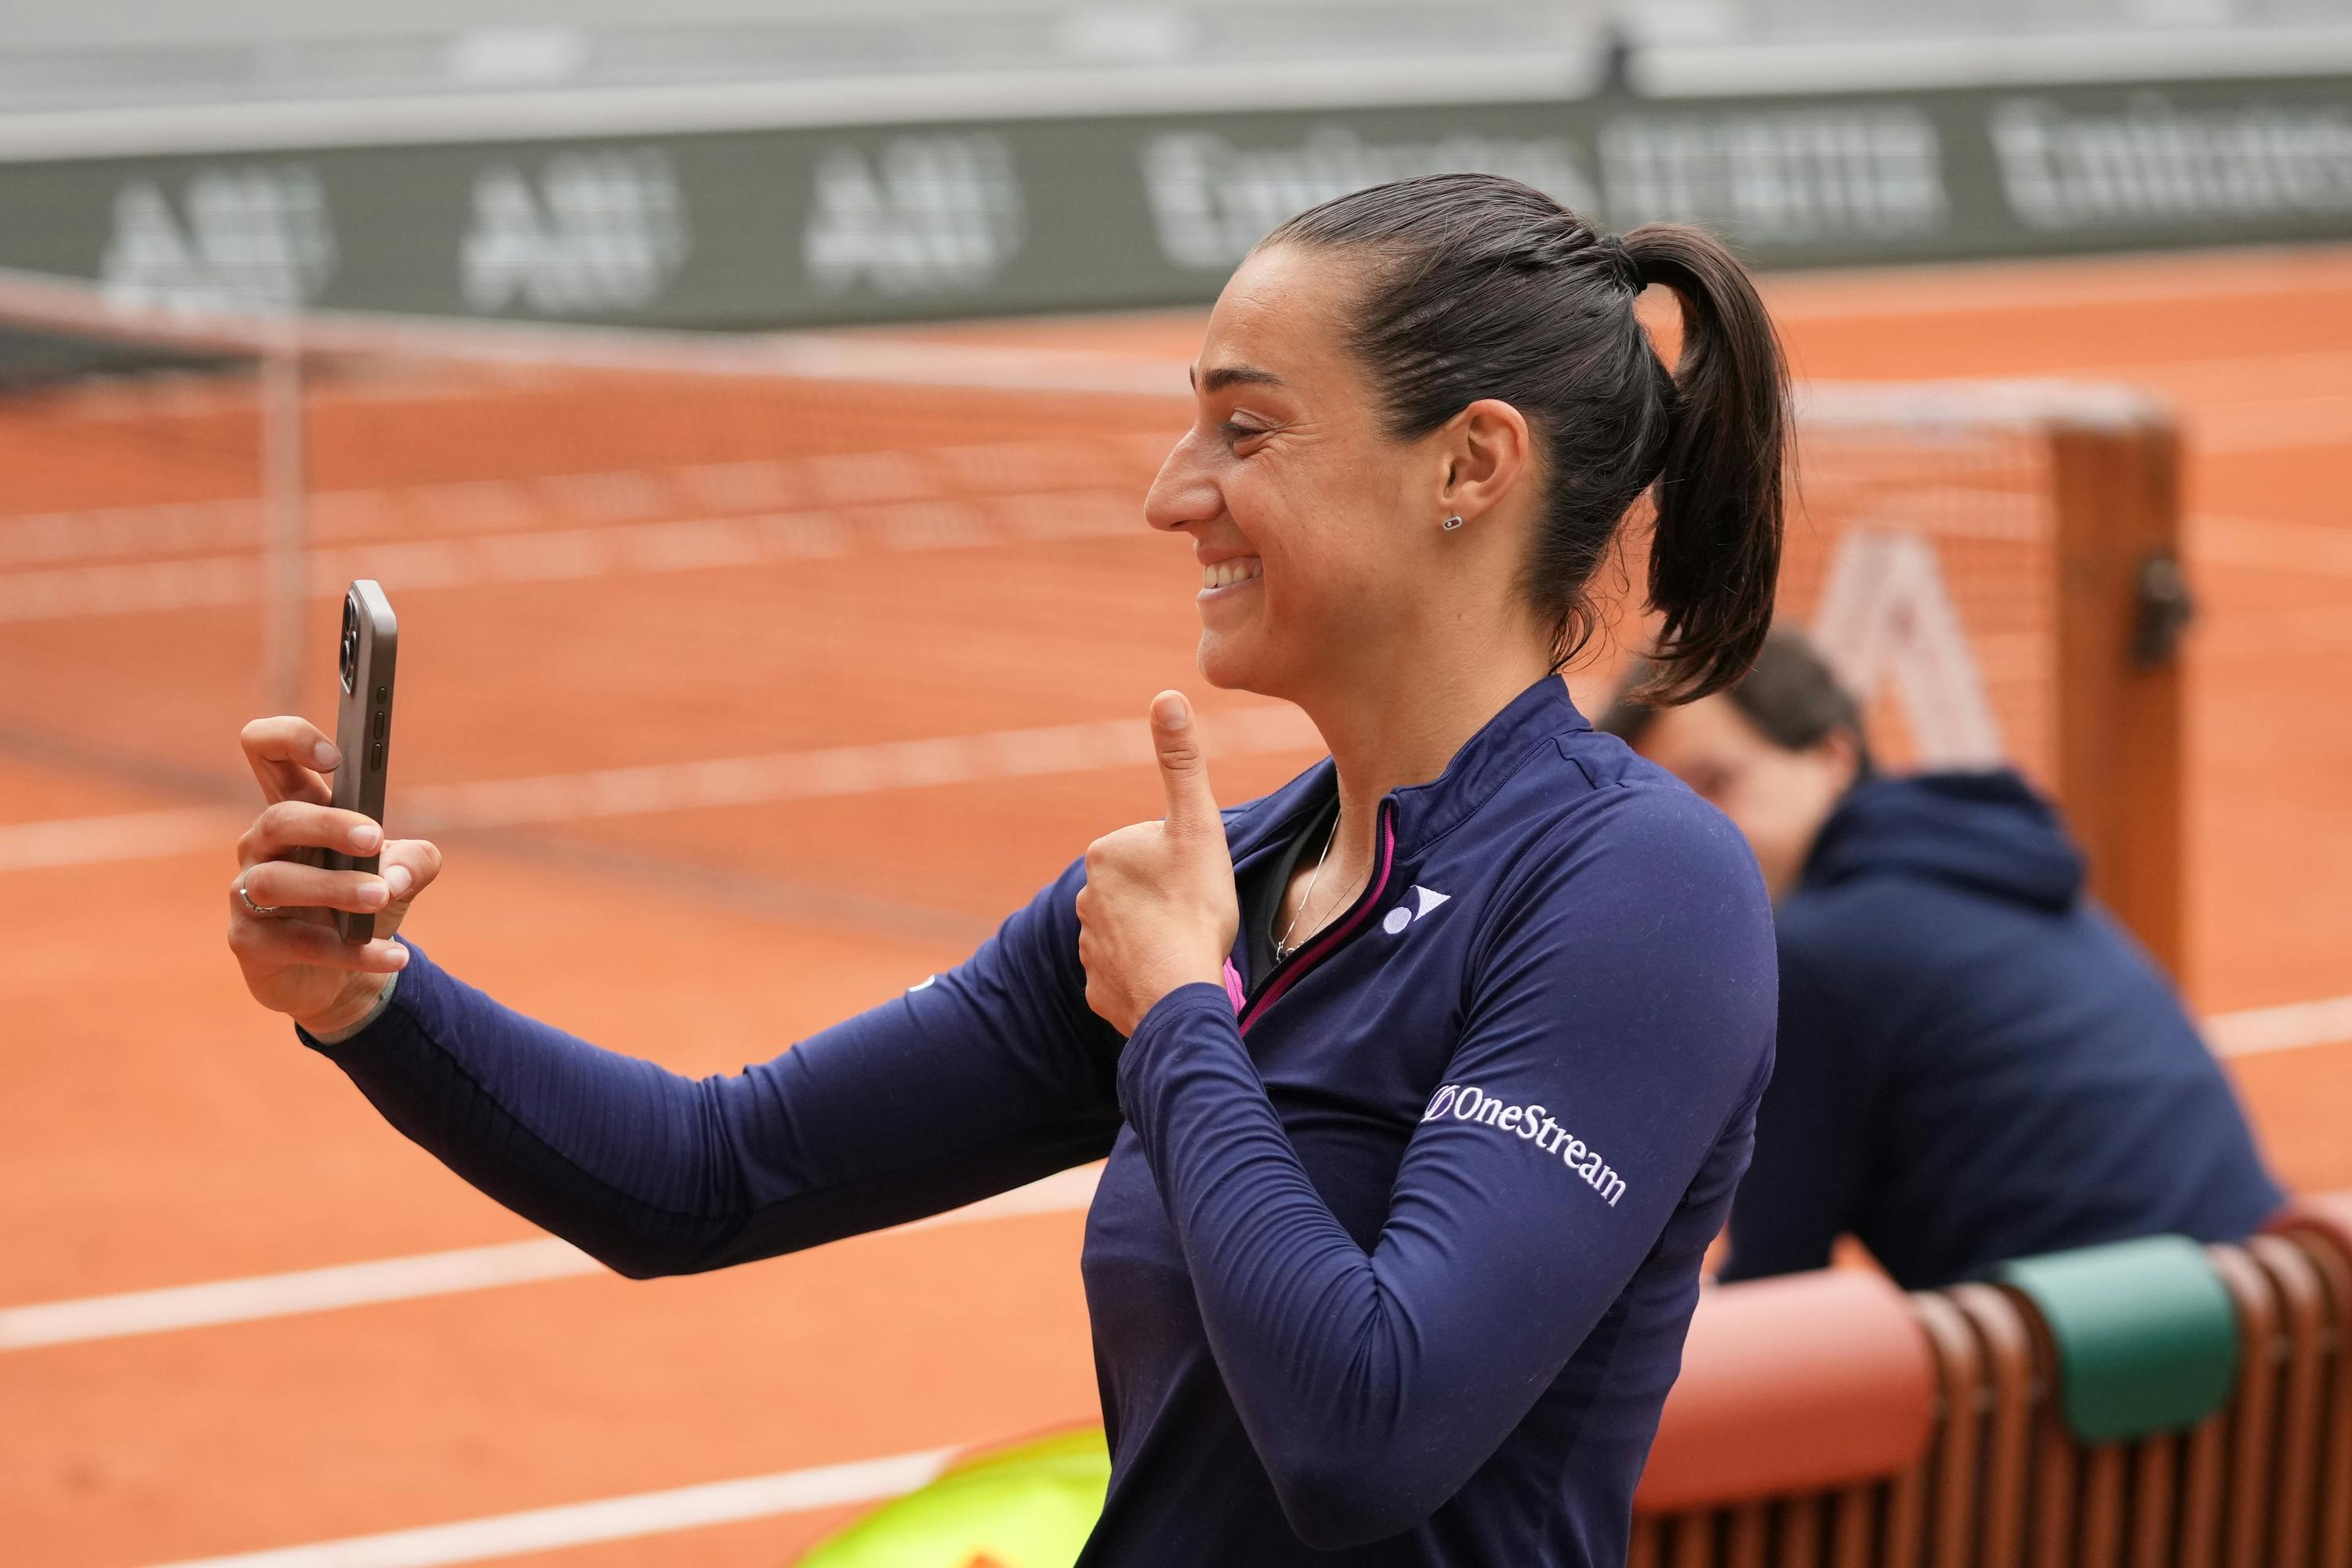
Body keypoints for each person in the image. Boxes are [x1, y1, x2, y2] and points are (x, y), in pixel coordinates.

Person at [225, 174, 1785, 1565]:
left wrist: (1183, 1020)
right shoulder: (1209, 880)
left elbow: (1365, 1431)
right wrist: (370, 996)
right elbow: (703, 1175)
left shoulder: (1641, 889)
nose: (1174, 492)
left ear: (1470, 466)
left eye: (1246, 430)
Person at [1600, 630, 2282, 1290]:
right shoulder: (1982, 863)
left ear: (1833, 757)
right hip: (2279, 1325)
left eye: (1716, 783)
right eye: (1668, 811)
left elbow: (1777, 1278)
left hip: (2108, 1379)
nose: (1696, 838)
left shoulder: (1817, 956)